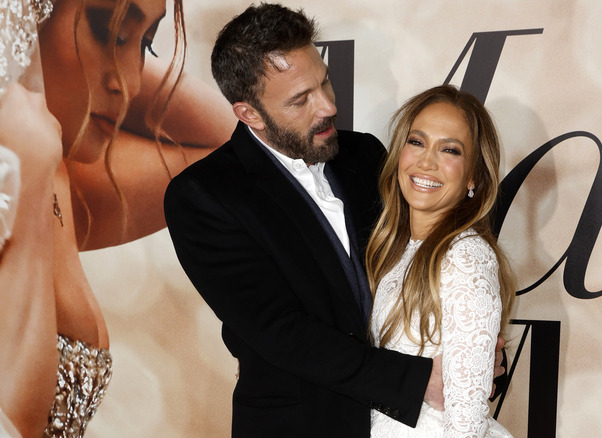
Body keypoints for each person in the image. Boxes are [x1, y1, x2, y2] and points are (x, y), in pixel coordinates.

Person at [164, 4, 484, 436]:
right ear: (249, 113)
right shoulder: (203, 196)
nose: (329, 106)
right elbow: (280, 331)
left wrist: (473, 353)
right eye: (301, 100)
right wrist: (416, 380)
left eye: (325, 81)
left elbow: (428, 261)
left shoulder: (365, 155)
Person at [0, 0, 233, 435]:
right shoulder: (22, 161)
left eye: (145, 44)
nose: (126, 83)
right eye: (110, 33)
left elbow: (234, 153)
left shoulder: (59, 172)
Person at [366, 85, 515, 437]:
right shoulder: (393, 247)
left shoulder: (466, 255)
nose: (426, 162)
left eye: (449, 149)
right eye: (416, 142)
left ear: (474, 176)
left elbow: (466, 419)